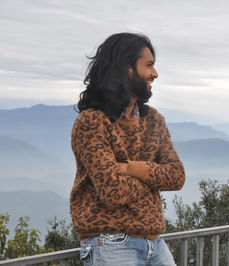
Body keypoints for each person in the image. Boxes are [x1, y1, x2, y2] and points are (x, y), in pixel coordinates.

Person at [70, 32, 185, 266]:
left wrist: (133, 169)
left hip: (155, 243)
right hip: (110, 243)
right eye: (149, 65)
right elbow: (113, 192)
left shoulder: (153, 119)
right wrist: (154, 176)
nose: (155, 74)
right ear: (126, 68)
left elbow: (177, 176)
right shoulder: (92, 122)